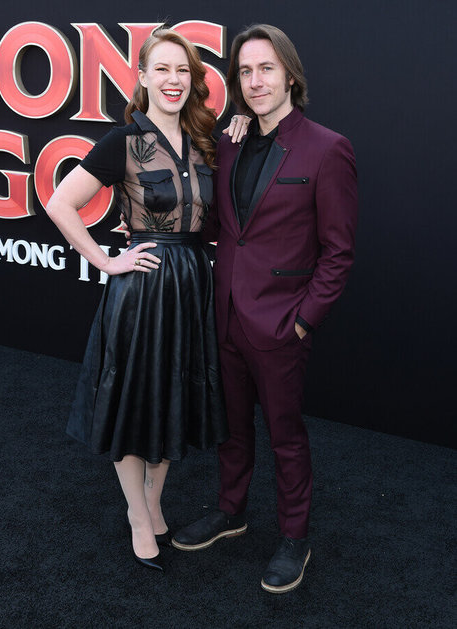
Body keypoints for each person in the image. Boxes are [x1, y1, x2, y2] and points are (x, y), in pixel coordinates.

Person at [172, 24, 358, 594]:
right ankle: (231, 510)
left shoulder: (328, 148)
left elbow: (338, 252)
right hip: (225, 315)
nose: (255, 81)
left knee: (285, 436)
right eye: (246, 71)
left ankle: (294, 536)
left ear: (290, 76)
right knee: (230, 428)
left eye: (266, 69)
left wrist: (302, 321)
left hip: (280, 324)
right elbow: (216, 224)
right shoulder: (229, 141)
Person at [46, 28, 231, 572]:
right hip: (144, 289)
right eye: (163, 69)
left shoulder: (205, 141)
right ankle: (136, 512)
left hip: (191, 283)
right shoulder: (122, 142)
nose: (173, 80)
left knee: (172, 394)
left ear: (192, 81)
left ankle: (153, 501)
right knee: (134, 401)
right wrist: (107, 262)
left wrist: (241, 125)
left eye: (183, 70)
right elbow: (60, 204)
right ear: (144, 77)